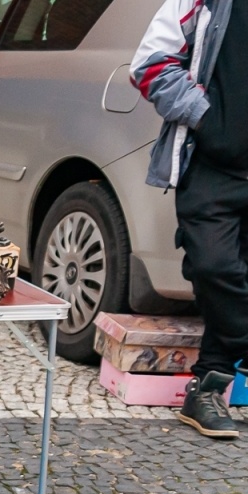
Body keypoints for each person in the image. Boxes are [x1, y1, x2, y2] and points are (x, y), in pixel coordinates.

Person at [134, 0, 243, 439]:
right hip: (212, 165)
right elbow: (150, 64)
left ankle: (207, 390)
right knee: (214, 268)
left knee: (235, 282)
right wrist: (208, 119)